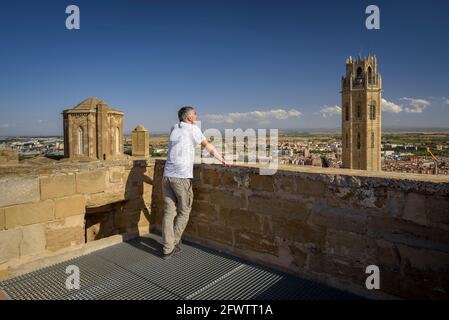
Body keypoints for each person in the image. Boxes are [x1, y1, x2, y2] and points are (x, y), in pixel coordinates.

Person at [161, 106, 229, 259]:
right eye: (195, 115)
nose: (197, 117)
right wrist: (222, 159)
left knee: (168, 213)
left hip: (167, 176)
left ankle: (167, 248)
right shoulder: (194, 129)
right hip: (181, 177)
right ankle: (173, 244)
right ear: (190, 118)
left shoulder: (174, 127)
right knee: (184, 211)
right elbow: (209, 147)